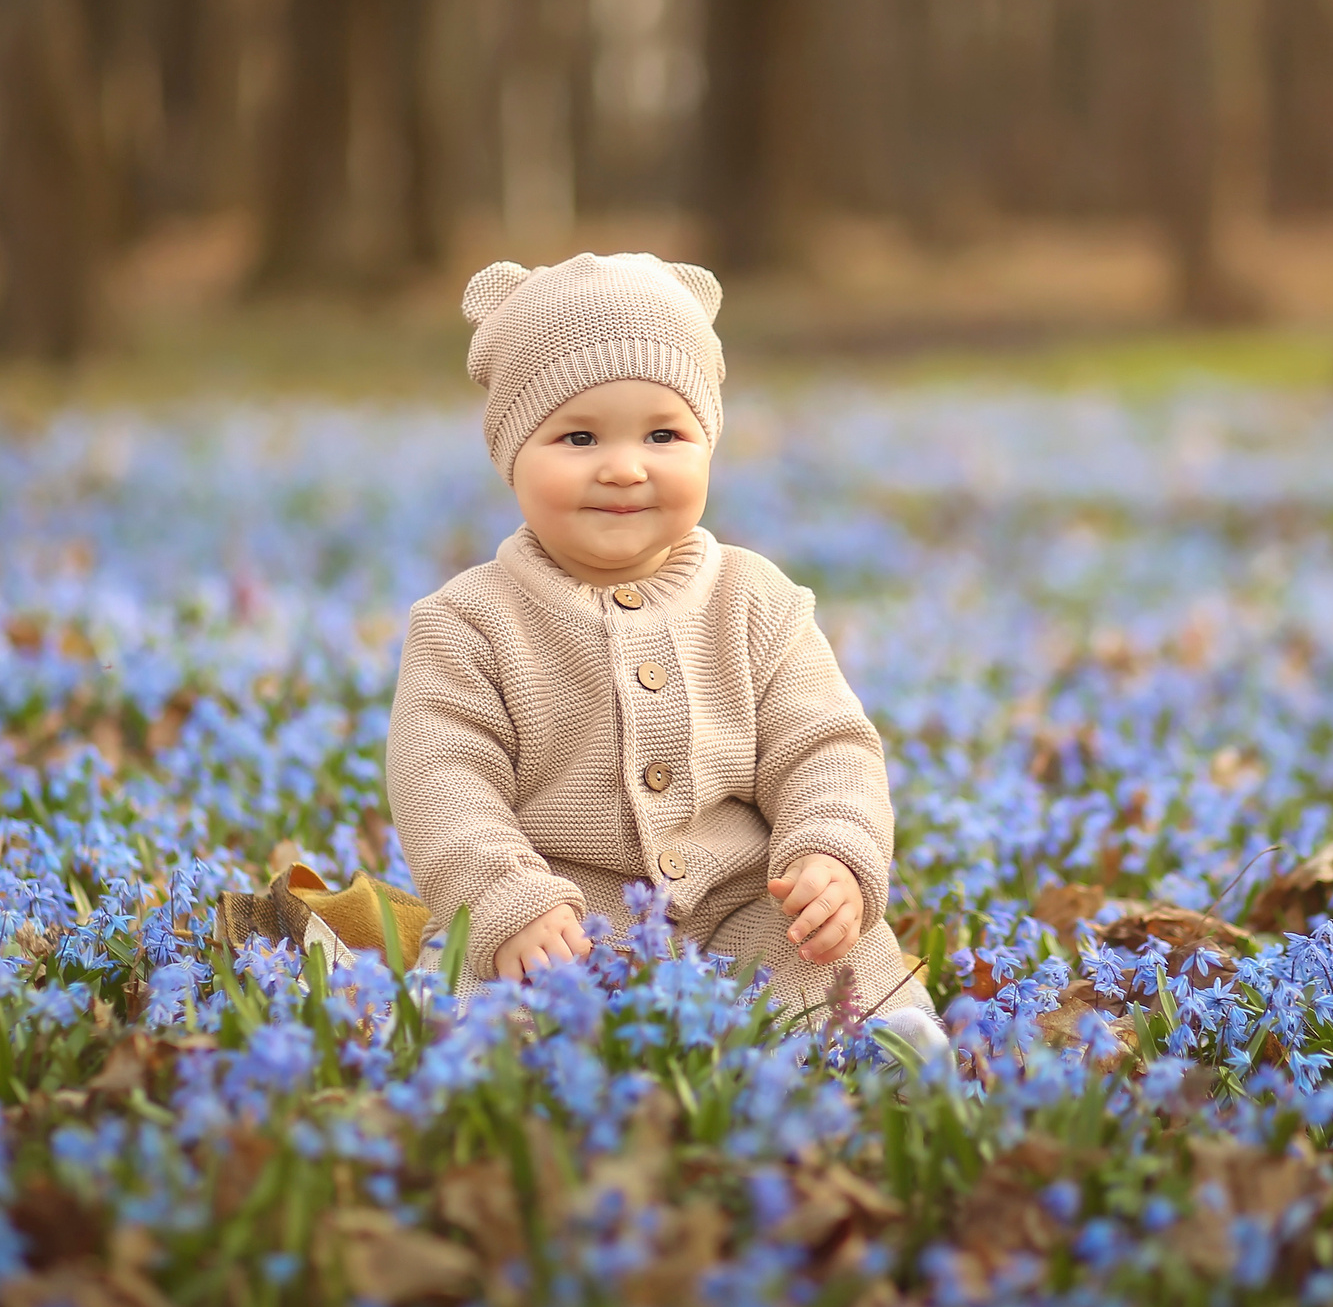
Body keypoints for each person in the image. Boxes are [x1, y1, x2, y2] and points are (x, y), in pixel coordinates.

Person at [386, 251, 946, 1063]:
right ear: (512, 453)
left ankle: (886, 1048)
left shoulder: (757, 600)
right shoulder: (466, 623)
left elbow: (825, 745)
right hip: (560, 922)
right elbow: (442, 779)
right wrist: (505, 897)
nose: (624, 466)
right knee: (481, 1000)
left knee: (831, 962)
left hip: (743, 906)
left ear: (707, 443)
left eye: (663, 434)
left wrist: (830, 848)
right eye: (579, 436)